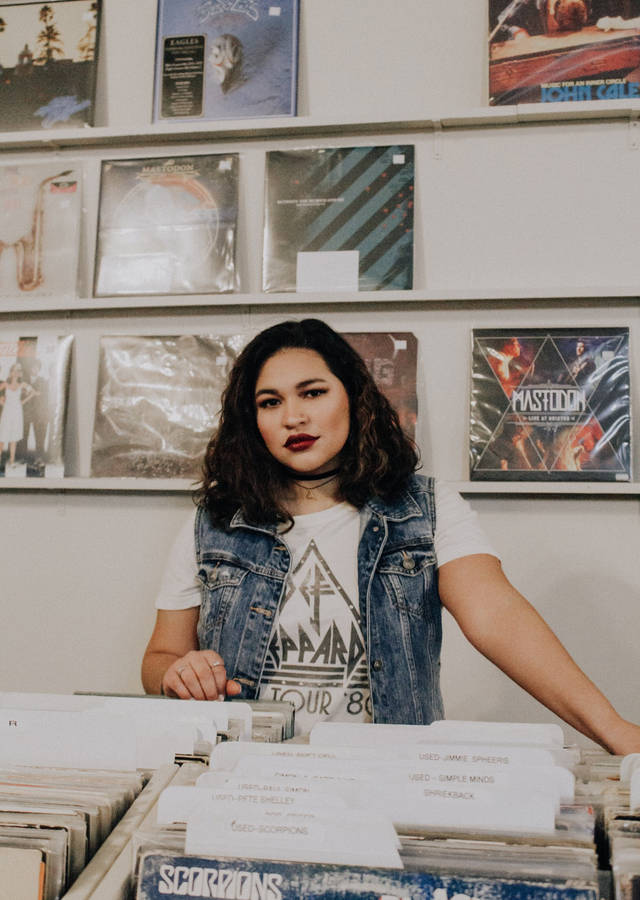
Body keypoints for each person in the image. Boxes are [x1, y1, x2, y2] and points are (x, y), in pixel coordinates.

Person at [142, 318, 640, 752]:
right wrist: (176, 674)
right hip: (246, 777)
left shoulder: (424, 508)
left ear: (353, 398)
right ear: (253, 423)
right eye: (270, 402)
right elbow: (160, 657)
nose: (293, 416)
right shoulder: (214, 523)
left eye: (313, 393)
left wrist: (613, 729)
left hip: (387, 780)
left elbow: (496, 615)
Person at [0, 362, 36, 469]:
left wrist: (22, 402)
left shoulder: (23, 385)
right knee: (2, 436)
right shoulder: (5, 384)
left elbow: (33, 392)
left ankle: (11, 461)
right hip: (7, 411)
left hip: (17, 412)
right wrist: (2, 402)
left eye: (18, 370)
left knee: (13, 437)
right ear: (11, 372)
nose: (16, 372)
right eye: (15, 370)